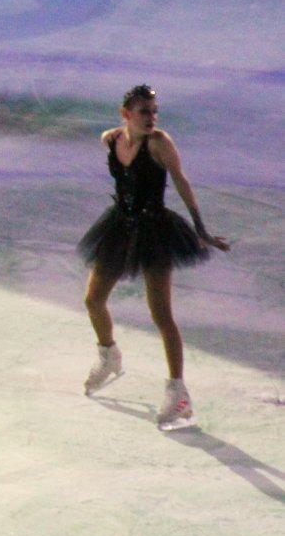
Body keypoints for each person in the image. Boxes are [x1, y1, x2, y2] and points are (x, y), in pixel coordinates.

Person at [78, 84, 230, 428]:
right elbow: (112, 145)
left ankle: (178, 394)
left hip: (155, 233)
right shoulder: (112, 139)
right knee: (93, 299)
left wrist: (201, 228)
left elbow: (181, 181)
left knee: (161, 315)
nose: (152, 117)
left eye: (154, 110)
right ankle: (109, 355)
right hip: (120, 226)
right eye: (144, 111)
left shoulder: (160, 143)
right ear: (126, 114)